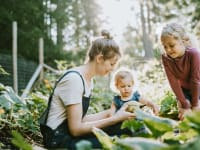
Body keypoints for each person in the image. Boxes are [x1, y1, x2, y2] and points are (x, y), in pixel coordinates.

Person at [39, 30, 135, 150]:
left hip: (68, 133)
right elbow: (76, 129)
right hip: (58, 140)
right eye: (111, 64)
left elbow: (79, 119)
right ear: (99, 58)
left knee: (126, 128)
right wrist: (114, 119)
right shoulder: (74, 80)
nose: (113, 69)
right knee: (116, 142)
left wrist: (109, 113)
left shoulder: (88, 80)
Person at [160, 23, 200, 120]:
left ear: (183, 42)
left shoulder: (193, 54)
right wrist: (185, 105)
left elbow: (195, 80)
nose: (168, 50)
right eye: (165, 46)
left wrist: (195, 105)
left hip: (198, 88)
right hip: (184, 91)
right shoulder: (165, 58)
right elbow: (173, 82)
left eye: (171, 45)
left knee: (197, 115)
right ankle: (181, 133)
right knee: (184, 116)